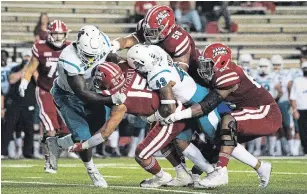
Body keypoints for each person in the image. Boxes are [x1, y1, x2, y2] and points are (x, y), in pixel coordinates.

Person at [163, 43, 282, 188]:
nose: (203, 68)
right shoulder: (219, 72)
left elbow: (206, 106)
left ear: (222, 62)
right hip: (248, 110)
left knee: (228, 121)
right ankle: (261, 167)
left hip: (267, 112)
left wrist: (177, 116)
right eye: (203, 64)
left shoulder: (228, 74)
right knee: (218, 138)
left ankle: (221, 172)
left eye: (208, 64)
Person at [47, 25, 126, 187]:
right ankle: (92, 170)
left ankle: (57, 144)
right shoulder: (69, 58)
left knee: (97, 131)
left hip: (93, 89)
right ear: (78, 45)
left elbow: (112, 57)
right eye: (88, 55)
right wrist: (111, 99)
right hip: (68, 95)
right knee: (83, 137)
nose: (92, 59)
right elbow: (82, 93)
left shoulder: (102, 41)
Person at [19, 20, 75, 173]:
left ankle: (57, 149)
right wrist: (24, 81)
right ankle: (50, 161)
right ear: (50, 34)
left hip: (65, 93)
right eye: (55, 33)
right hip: (46, 90)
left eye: (60, 34)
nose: (58, 37)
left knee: (69, 130)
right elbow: (31, 67)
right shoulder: (40, 47)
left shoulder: (71, 48)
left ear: (65, 34)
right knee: (50, 128)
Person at [2, 51, 38, 159]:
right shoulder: (15, 68)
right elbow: (12, 80)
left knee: (29, 129)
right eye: (25, 57)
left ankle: (28, 153)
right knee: (8, 128)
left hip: (29, 103)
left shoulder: (35, 69)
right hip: (15, 103)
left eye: (29, 57)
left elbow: (38, 81)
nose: (27, 59)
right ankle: (3, 152)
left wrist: (31, 69)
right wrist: (25, 69)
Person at [254, 58, 282, 156]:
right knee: (257, 128)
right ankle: (257, 149)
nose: (263, 69)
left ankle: (271, 150)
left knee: (272, 128)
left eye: (265, 66)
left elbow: (280, 91)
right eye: (261, 66)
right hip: (257, 105)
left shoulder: (273, 76)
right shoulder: (254, 76)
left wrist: (274, 101)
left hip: (270, 105)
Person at [290, 61, 307, 155]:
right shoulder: (297, 81)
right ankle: (305, 150)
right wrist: (295, 110)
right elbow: (293, 97)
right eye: (305, 68)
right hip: (301, 109)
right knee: (302, 131)